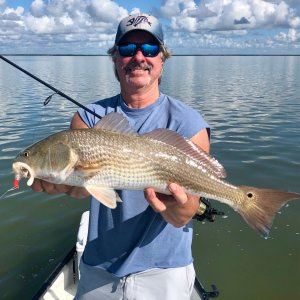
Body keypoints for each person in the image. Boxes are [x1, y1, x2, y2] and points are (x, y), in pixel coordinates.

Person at [32, 13, 210, 300]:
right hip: (99, 267)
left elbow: (185, 214)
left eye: (149, 49)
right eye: (127, 49)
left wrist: (177, 208)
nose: (138, 56)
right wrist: (63, 183)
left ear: (162, 59)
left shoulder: (190, 124)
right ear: (115, 58)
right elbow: (83, 188)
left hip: (164, 271)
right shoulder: (87, 118)